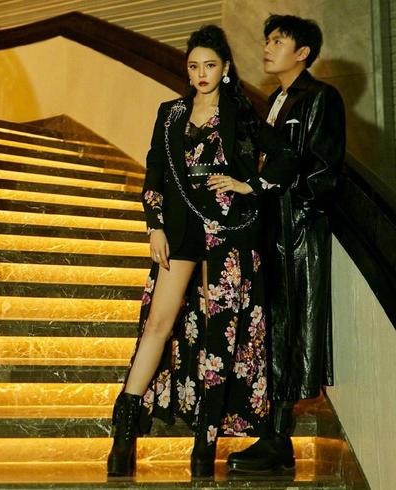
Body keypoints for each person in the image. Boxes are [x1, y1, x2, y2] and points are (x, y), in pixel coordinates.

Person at [106, 25, 296, 479]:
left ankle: (204, 447)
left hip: (230, 231)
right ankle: (123, 436)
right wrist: (154, 225)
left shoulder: (240, 112)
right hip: (180, 227)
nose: (201, 74)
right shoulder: (170, 112)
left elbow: (286, 155)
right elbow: (154, 171)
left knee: (218, 336)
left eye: (210, 65)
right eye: (193, 66)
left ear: (225, 68)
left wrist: (250, 185)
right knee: (158, 323)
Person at [227, 15, 346, 473]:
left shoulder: (320, 98)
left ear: (303, 53)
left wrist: (279, 198)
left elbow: (323, 170)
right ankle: (271, 435)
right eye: (267, 40)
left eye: (278, 41)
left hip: (294, 234)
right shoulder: (276, 100)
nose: (267, 47)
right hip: (271, 230)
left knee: (287, 329)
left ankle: (278, 439)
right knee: (271, 329)